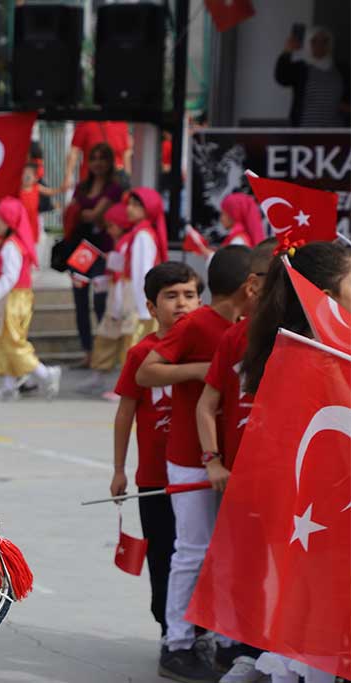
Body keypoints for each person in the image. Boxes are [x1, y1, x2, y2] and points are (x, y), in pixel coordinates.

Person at [135, 245, 254, 683]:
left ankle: (223, 640)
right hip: (189, 456)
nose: (182, 302)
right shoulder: (197, 325)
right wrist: (205, 369)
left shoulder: (246, 328)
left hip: (233, 456)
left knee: (226, 552)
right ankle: (178, 642)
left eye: (189, 293)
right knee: (191, 550)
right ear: (251, 286)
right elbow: (147, 373)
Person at [239, 240, 349, 683]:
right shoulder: (323, 358)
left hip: (308, 510)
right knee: (322, 622)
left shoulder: (299, 347)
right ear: (326, 293)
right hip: (327, 510)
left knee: (305, 614)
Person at [192, 238, 275, 683]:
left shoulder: (310, 340)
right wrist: (213, 460)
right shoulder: (236, 337)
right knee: (246, 566)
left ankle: (283, 653)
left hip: (289, 480)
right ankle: (245, 650)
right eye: (272, 278)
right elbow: (207, 404)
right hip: (239, 478)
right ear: (254, 285)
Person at [110, 261, 202, 658]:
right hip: (154, 478)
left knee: (199, 552)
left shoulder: (214, 346)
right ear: (151, 306)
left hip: (199, 474)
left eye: (190, 295)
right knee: (164, 554)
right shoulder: (141, 355)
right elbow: (125, 414)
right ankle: (169, 629)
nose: (182, 304)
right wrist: (118, 469)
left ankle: (202, 628)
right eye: (171, 297)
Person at [83, 189, 168, 396]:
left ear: (147, 209)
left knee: (135, 346)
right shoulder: (140, 234)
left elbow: (143, 273)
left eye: (135, 205)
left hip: (138, 301)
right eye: (129, 204)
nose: (129, 208)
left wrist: (143, 306)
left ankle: (130, 388)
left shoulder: (141, 236)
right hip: (137, 300)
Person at [0, 197, 62, 401]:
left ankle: (45, 374)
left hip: (13, 299)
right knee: (4, 340)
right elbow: (3, 271)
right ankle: (9, 385)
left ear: (8, 221)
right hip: (13, 297)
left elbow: (9, 277)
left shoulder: (10, 246)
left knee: (12, 341)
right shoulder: (9, 244)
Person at [66, 143, 124, 367]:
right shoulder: (82, 186)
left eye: (103, 158)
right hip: (81, 251)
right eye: (94, 158)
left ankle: (103, 352)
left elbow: (94, 214)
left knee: (101, 302)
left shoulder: (113, 188)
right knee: (79, 301)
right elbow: (83, 213)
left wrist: (85, 213)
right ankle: (88, 352)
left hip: (103, 252)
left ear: (110, 162)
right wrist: (86, 214)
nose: (98, 163)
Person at [274, 26, 350, 128]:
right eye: (314, 41)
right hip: (305, 130)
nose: (320, 45)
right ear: (307, 43)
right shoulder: (301, 67)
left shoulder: (341, 69)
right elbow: (281, 78)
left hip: (335, 130)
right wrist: (287, 52)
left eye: (325, 41)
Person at [63, 120, 132, 190]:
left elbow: (126, 153)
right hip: (91, 180)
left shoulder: (121, 124)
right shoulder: (85, 124)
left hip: (115, 179)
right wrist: (68, 176)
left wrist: (127, 178)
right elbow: (74, 152)